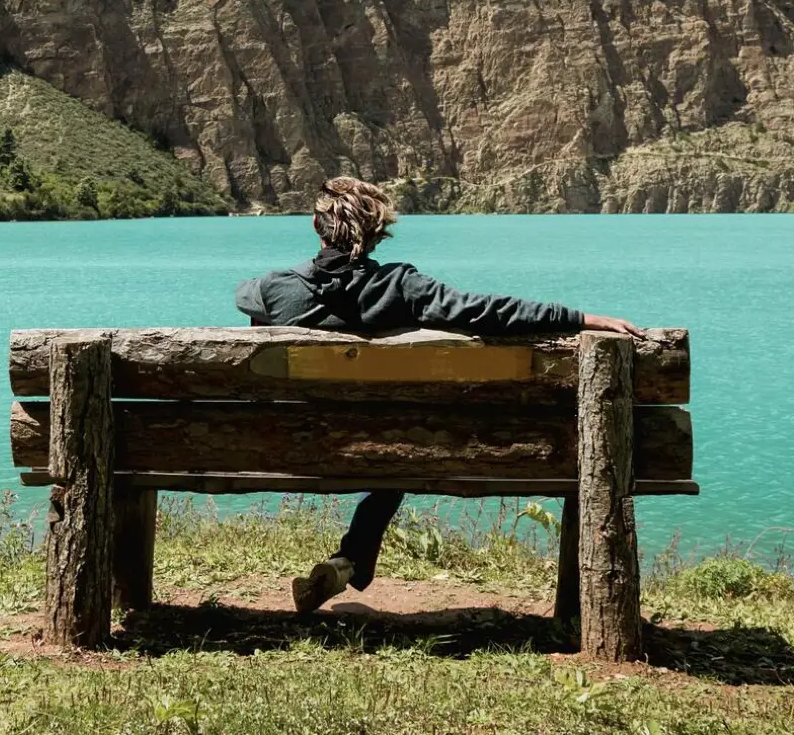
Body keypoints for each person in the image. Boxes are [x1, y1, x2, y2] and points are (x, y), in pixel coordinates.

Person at [234, 175, 646, 614]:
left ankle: (351, 561)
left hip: (292, 443)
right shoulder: (402, 287)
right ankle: (351, 560)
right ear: (376, 234)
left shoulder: (275, 288)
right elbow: (488, 311)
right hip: (388, 446)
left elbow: (254, 326)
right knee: (394, 452)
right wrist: (581, 318)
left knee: (380, 449)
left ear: (318, 227)